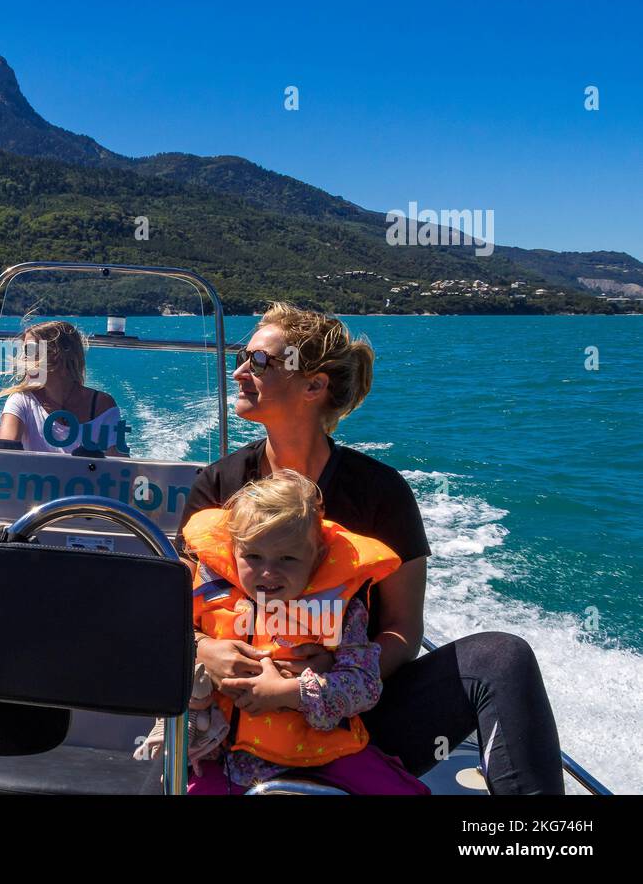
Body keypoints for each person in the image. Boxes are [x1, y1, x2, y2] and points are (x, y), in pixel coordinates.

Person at [177, 302, 563, 794]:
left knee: (502, 658)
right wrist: (203, 650)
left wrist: (323, 686)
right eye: (241, 357)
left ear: (314, 386)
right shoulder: (218, 486)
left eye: (260, 361)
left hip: (357, 726)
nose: (238, 372)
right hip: (230, 724)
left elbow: (402, 629)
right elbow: (172, 607)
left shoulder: (380, 493)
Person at [138, 470, 428, 794]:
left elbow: (364, 684)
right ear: (234, 551)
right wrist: (201, 647)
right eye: (253, 556)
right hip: (220, 753)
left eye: (287, 558)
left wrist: (289, 693)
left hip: (322, 753)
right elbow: (159, 643)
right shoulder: (209, 593)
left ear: (316, 557)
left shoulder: (341, 608)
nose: (267, 572)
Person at [0, 320, 126, 456]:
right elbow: (3, 454)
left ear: (56, 354)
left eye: (30, 350)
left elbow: (121, 467)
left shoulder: (102, 405)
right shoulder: (22, 401)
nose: (23, 358)